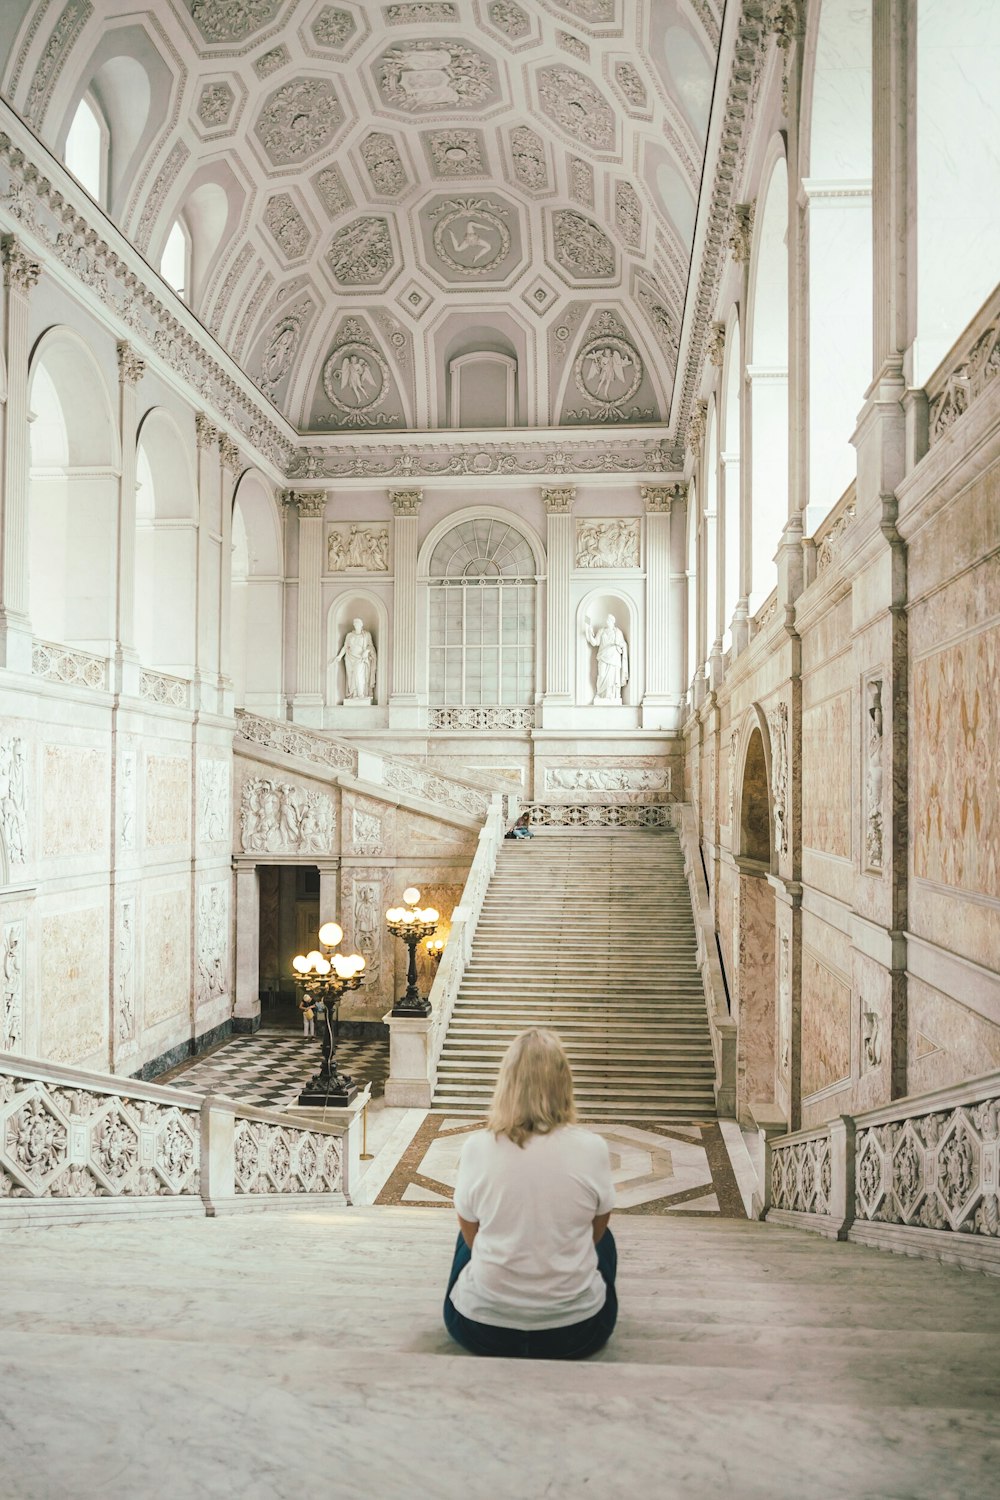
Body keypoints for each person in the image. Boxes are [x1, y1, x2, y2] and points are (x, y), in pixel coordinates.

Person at [443, 1029, 617, 1360]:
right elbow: (596, 1232)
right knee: (605, 1239)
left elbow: (471, 1237)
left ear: (506, 1082)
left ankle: (493, 1298)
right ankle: (566, 1299)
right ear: (564, 1082)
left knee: (468, 1230)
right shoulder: (592, 1148)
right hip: (577, 1333)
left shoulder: (478, 1147)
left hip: (482, 1330)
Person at [584, 613, 628, 704]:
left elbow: (623, 644)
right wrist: (589, 631)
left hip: (614, 657)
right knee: (602, 675)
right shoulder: (601, 631)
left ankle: (612, 695)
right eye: (607, 620)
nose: (607, 621)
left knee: (613, 677)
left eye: (609, 620)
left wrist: (619, 644)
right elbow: (595, 643)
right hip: (603, 656)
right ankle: (600, 694)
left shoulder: (618, 632)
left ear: (613, 622)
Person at [334, 618, 377, 701]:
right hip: (350, 658)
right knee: (351, 676)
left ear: (361, 625)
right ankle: (354, 694)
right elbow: (345, 647)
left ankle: (361, 694)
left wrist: (367, 651)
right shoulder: (349, 635)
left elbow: (371, 646)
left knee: (358, 675)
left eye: (358, 623)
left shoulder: (366, 635)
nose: (356, 625)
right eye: (355, 624)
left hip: (360, 658)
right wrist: (339, 656)